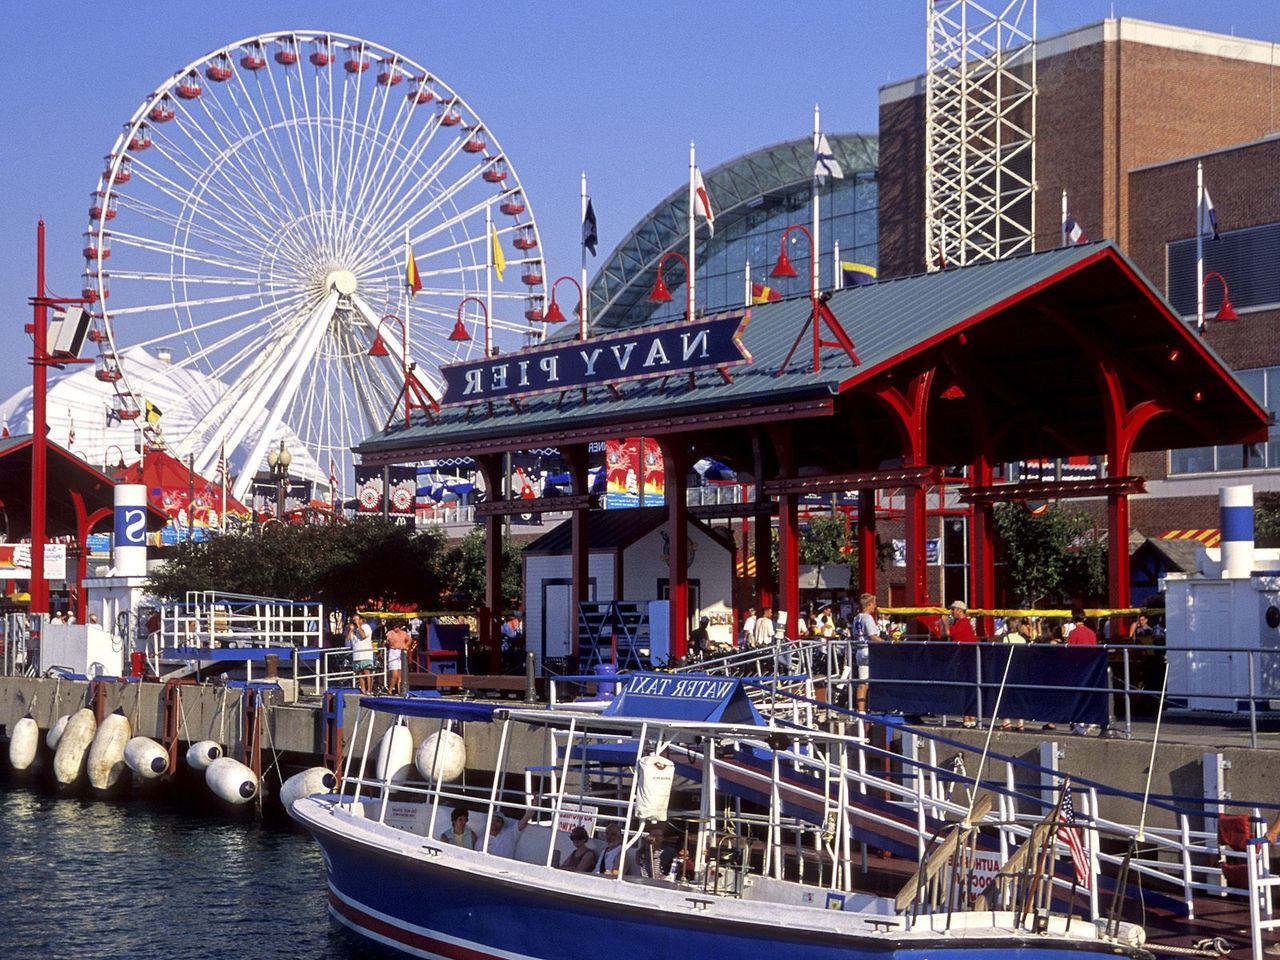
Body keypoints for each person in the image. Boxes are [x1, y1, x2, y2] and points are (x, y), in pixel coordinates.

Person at [852, 593, 881, 713]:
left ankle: (861, 710)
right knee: (875, 679)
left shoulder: (856, 618)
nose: (875, 607)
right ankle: (877, 705)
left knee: (863, 681)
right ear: (869, 604)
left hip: (859, 650)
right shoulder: (868, 618)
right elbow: (872, 637)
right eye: (874, 604)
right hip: (869, 650)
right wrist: (888, 643)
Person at [347, 615, 374, 694]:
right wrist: (351, 630)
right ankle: (363, 690)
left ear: (361, 620)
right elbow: (348, 640)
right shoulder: (354, 630)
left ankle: (369, 690)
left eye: (356, 619)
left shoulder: (366, 627)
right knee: (360, 674)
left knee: (367, 672)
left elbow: (363, 636)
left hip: (365, 654)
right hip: (356, 655)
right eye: (354, 620)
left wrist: (358, 626)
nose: (355, 621)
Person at [385, 620, 412, 695]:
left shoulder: (404, 633)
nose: (396, 629)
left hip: (401, 652)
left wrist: (405, 646)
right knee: (395, 675)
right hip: (393, 652)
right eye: (394, 627)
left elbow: (409, 639)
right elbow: (389, 641)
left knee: (400, 675)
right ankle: (390, 690)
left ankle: (400, 691)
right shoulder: (390, 633)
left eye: (397, 627)